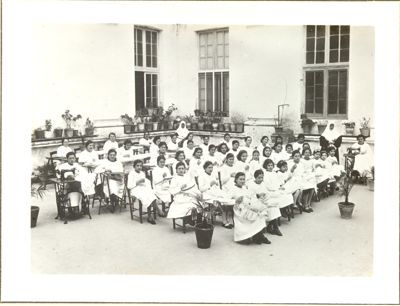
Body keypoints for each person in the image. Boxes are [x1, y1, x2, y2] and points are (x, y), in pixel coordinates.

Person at [230, 172, 271, 244]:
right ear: (236, 179)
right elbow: (227, 199)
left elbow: (250, 196)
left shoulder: (244, 188)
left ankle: (258, 236)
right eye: (240, 179)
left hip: (247, 207)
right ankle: (257, 236)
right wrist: (235, 200)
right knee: (255, 215)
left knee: (260, 213)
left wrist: (258, 195)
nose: (242, 181)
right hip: (240, 211)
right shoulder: (232, 189)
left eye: (243, 179)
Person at [198, 161, 235, 228]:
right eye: (209, 167)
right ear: (205, 168)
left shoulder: (212, 175)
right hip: (206, 194)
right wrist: (210, 184)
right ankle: (224, 221)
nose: (211, 169)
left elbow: (216, 186)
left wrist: (216, 184)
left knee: (225, 199)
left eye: (212, 167)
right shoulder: (201, 176)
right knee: (220, 202)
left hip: (214, 192)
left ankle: (226, 220)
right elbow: (201, 189)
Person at [127, 159, 165, 224]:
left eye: (140, 166)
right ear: (134, 166)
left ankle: (150, 216)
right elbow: (129, 185)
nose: (139, 167)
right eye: (137, 166)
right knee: (146, 195)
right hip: (135, 189)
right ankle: (157, 211)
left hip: (143, 188)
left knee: (150, 194)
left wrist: (148, 187)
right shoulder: (131, 173)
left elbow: (146, 183)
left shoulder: (142, 173)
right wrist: (138, 182)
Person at [247, 169, 283, 236]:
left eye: (262, 178)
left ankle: (274, 227)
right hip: (255, 202)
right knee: (270, 206)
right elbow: (250, 196)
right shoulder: (251, 184)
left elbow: (267, 192)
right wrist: (258, 195)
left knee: (274, 206)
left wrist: (266, 196)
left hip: (264, 201)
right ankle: (273, 227)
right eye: (259, 178)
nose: (261, 179)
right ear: (255, 177)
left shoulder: (263, 183)